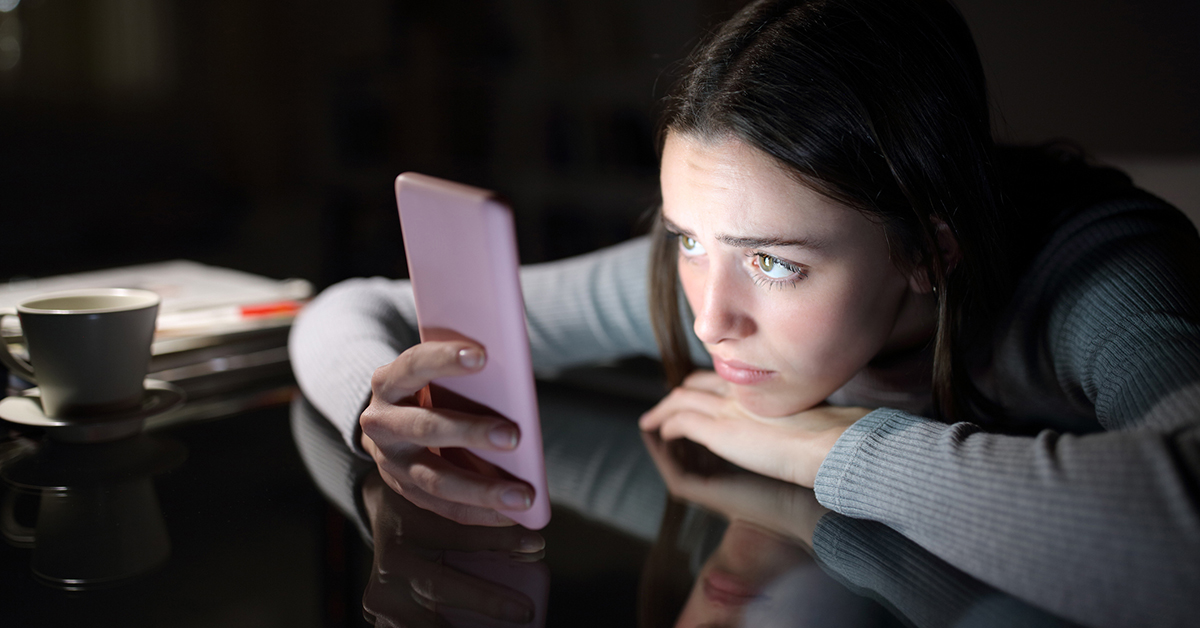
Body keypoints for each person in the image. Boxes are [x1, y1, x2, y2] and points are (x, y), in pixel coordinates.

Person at [289, 0, 1200, 625]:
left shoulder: (1101, 274)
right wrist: (377, 408)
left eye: (773, 262)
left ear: (930, 251)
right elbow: (353, 307)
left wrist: (822, 445)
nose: (712, 316)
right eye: (687, 238)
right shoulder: (712, 281)